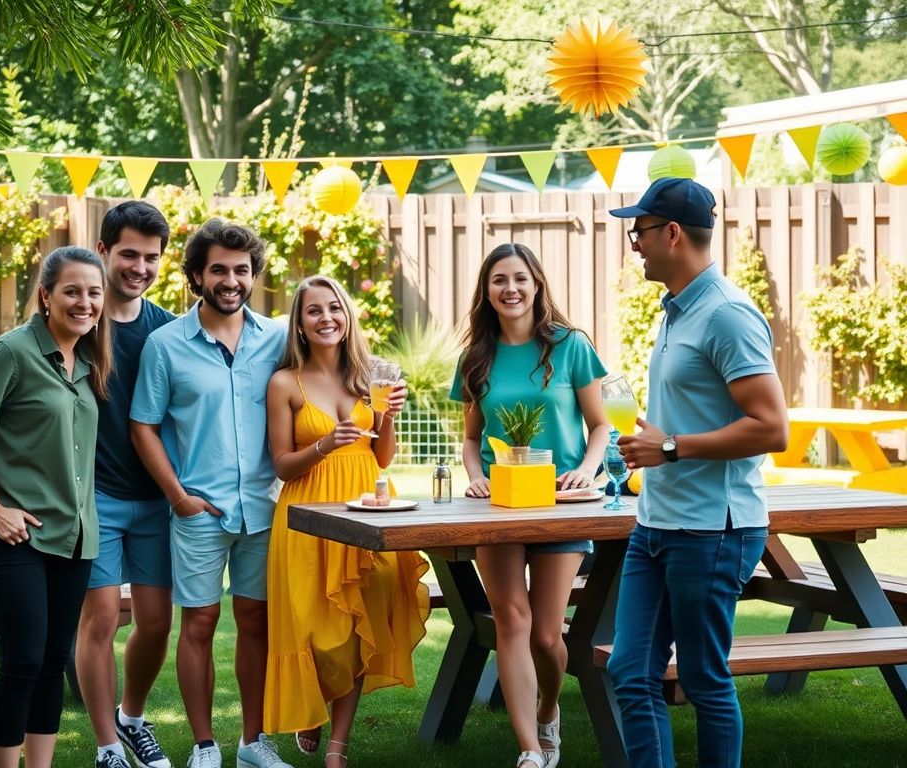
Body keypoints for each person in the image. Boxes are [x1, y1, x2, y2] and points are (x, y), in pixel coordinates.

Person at [608, 177, 789, 768]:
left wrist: (672, 447)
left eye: (639, 230)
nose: (634, 242)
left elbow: (772, 428)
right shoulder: (675, 311)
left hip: (713, 530)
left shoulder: (728, 315)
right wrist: (649, 441)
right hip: (656, 522)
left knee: (705, 680)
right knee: (629, 672)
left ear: (673, 233)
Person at [0, 246, 112, 768]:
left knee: (54, 660)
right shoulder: (11, 353)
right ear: (45, 295)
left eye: (93, 292)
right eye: (72, 291)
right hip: (16, 537)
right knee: (23, 661)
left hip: (75, 535)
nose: (85, 302)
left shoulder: (86, 360)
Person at [129, 219, 293, 768]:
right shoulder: (164, 345)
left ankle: (253, 742)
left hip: (266, 508)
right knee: (198, 623)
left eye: (241, 270)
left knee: (256, 622)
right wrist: (178, 497)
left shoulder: (278, 339)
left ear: (254, 275)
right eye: (218, 269)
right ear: (196, 275)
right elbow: (143, 426)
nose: (231, 280)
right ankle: (204, 745)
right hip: (199, 508)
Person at [450, 243, 611, 768]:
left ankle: (548, 708)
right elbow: (472, 439)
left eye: (520, 278)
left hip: (563, 502)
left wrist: (588, 468)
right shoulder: (476, 357)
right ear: (487, 291)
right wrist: (475, 478)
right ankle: (528, 751)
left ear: (538, 284)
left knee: (546, 635)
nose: (511, 289)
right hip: (500, 506)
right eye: (499, 280)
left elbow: (601, 424)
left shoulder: (571, 347)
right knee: (510, 621)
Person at [263, 276, 430, 767]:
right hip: (307, 515)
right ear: (299, 322)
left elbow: (382, 459)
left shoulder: (368, 376)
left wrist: (388, 416)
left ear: (347, 314)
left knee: (358, 626)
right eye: (313, 311)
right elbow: (281, 464)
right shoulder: (284, 383)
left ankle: (338, 744)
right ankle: (309, 713)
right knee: (315, 629)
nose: (326, 318)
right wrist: (323, 444)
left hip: (365, 510)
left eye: (334, 308)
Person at [74, 201, 176, 768]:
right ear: (104, 252)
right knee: (103, 616)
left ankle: (130, 717)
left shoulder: (168, 331)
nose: (140, 266)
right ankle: (106, 747)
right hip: (96, 500)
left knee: (158, 621)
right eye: (130, 254)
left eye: (152, 257)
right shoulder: (79, 322)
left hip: (158, 500)